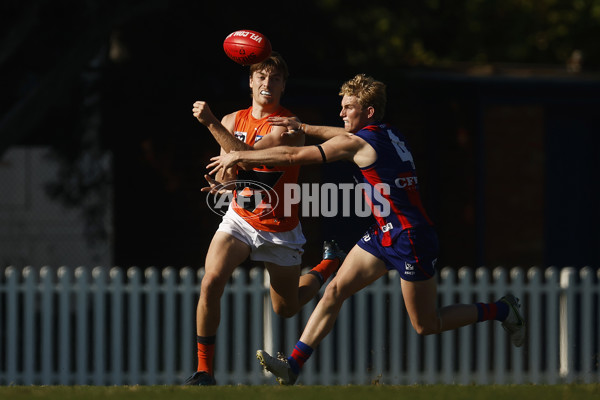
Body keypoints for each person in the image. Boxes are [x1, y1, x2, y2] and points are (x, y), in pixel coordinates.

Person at [206, 73, 527, 385]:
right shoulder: (387, 132)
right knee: (334, 290)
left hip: (410, 237)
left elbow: (292, 155)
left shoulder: (360, 144)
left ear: (368, 112)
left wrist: (240, 155)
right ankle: (292, 366)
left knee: (426, 324)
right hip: (385, 231)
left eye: (348, 108)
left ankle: (502, 309)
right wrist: (302, 126)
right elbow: (340, 134)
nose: (342, 112)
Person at [184, 52, 346, 386]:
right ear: (250, 81)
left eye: (275, 78)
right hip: (240, 219)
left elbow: (249, 163)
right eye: (261, 76)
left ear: (284, 86)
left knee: (285, 309)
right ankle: (204, 371)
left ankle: (326, 266)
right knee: (211, 282)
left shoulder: (287, 126)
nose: (267, 84)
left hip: (279, 228)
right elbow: (234, 173)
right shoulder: (232, 120)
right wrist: (221, 186)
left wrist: (210, 123)